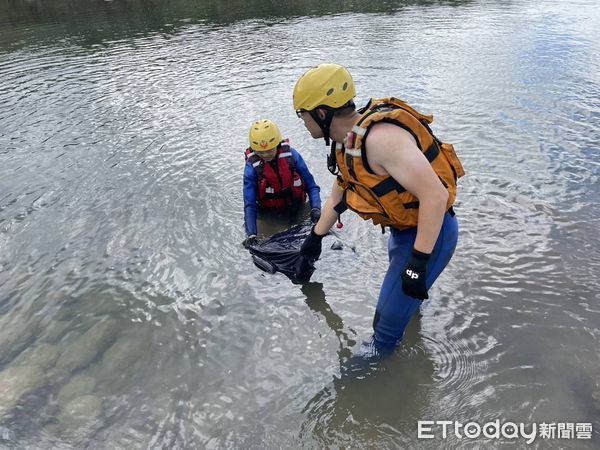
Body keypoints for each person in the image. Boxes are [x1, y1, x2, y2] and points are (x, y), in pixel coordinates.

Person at [293, 64, 465, 351]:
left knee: (384, 331)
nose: (302, 121)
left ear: (321, 113)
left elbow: (434, 195)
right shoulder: (346, 141)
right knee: (406, 312)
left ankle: (373, 385)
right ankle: (414, 342)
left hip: (431, 236)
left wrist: (418, 263)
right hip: (404, 235)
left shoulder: (381, 141)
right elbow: (342, 190)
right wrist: (315, 238)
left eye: (303, 114)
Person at [243, 119, 321, 248]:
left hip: (297, 207)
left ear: (278, 145)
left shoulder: (292, 156)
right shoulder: (251, 168)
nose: (265, 154)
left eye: (269, 150)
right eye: (260, 152)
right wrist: (251, 234)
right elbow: (249, 204)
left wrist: (316, 208)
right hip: (270, 213)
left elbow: (312, 186)